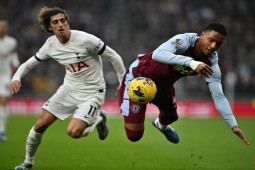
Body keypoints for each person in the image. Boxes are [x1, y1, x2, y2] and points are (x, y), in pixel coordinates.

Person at [10, 6, 126, 170]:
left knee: (74, 132)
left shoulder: (85, 40)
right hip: (68, 90)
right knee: (40, 124)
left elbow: (114, 56)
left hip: (92, 93)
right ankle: (28, 163)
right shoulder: (50, 44)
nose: (60, 24)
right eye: (55, 22)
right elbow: (29, 63)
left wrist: (123, 81)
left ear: (67, 23)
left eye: (63, 21)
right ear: (50, 27)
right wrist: (16, 77)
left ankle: (98, 119)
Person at [119, 23, 249, 145]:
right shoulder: (185, 40)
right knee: (134, 136)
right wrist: (191, 62)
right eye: (211, 40)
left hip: (164, 87)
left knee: (171, 117)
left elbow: (219, 96)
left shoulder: (211, 64)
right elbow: (157, 54)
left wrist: (233, 125)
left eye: (218, 44)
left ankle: (160, 125)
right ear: (202, 35)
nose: (213, 46)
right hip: (138, 79)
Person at [0, 17, 20, 141]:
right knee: (2, 105)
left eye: (3, 27)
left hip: (4, 77)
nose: (1, 29)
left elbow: (14, 62)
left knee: (3, 101)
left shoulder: (11, 42)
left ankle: (1, 131)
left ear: (6, 28)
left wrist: (11, 77)